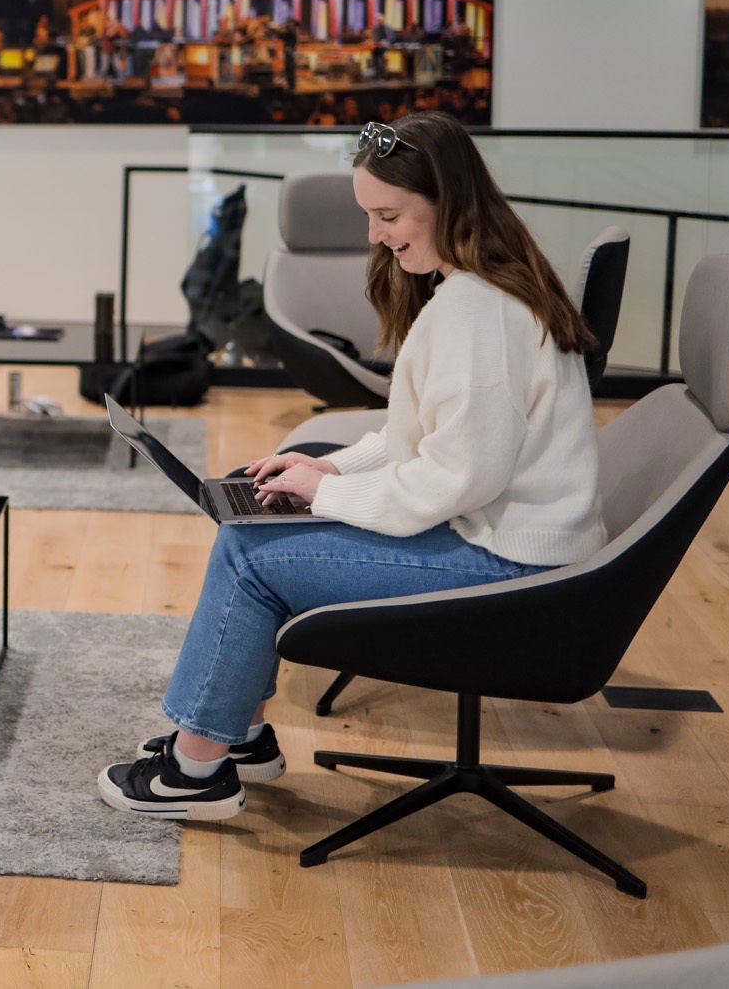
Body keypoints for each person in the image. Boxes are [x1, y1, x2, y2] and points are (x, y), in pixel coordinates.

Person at [99, 111, 605, 821]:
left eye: (388, 215)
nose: (374, 235)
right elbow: (420, 438)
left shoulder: (478, 314)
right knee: (256, 523)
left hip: (508, 562)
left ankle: (193, 773)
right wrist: (329, 470)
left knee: (250, 556)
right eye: (369, 215)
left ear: (448, 200)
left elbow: (457, 478)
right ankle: (235, 737)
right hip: (498, 535)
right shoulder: (479, 289)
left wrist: (326, 496)